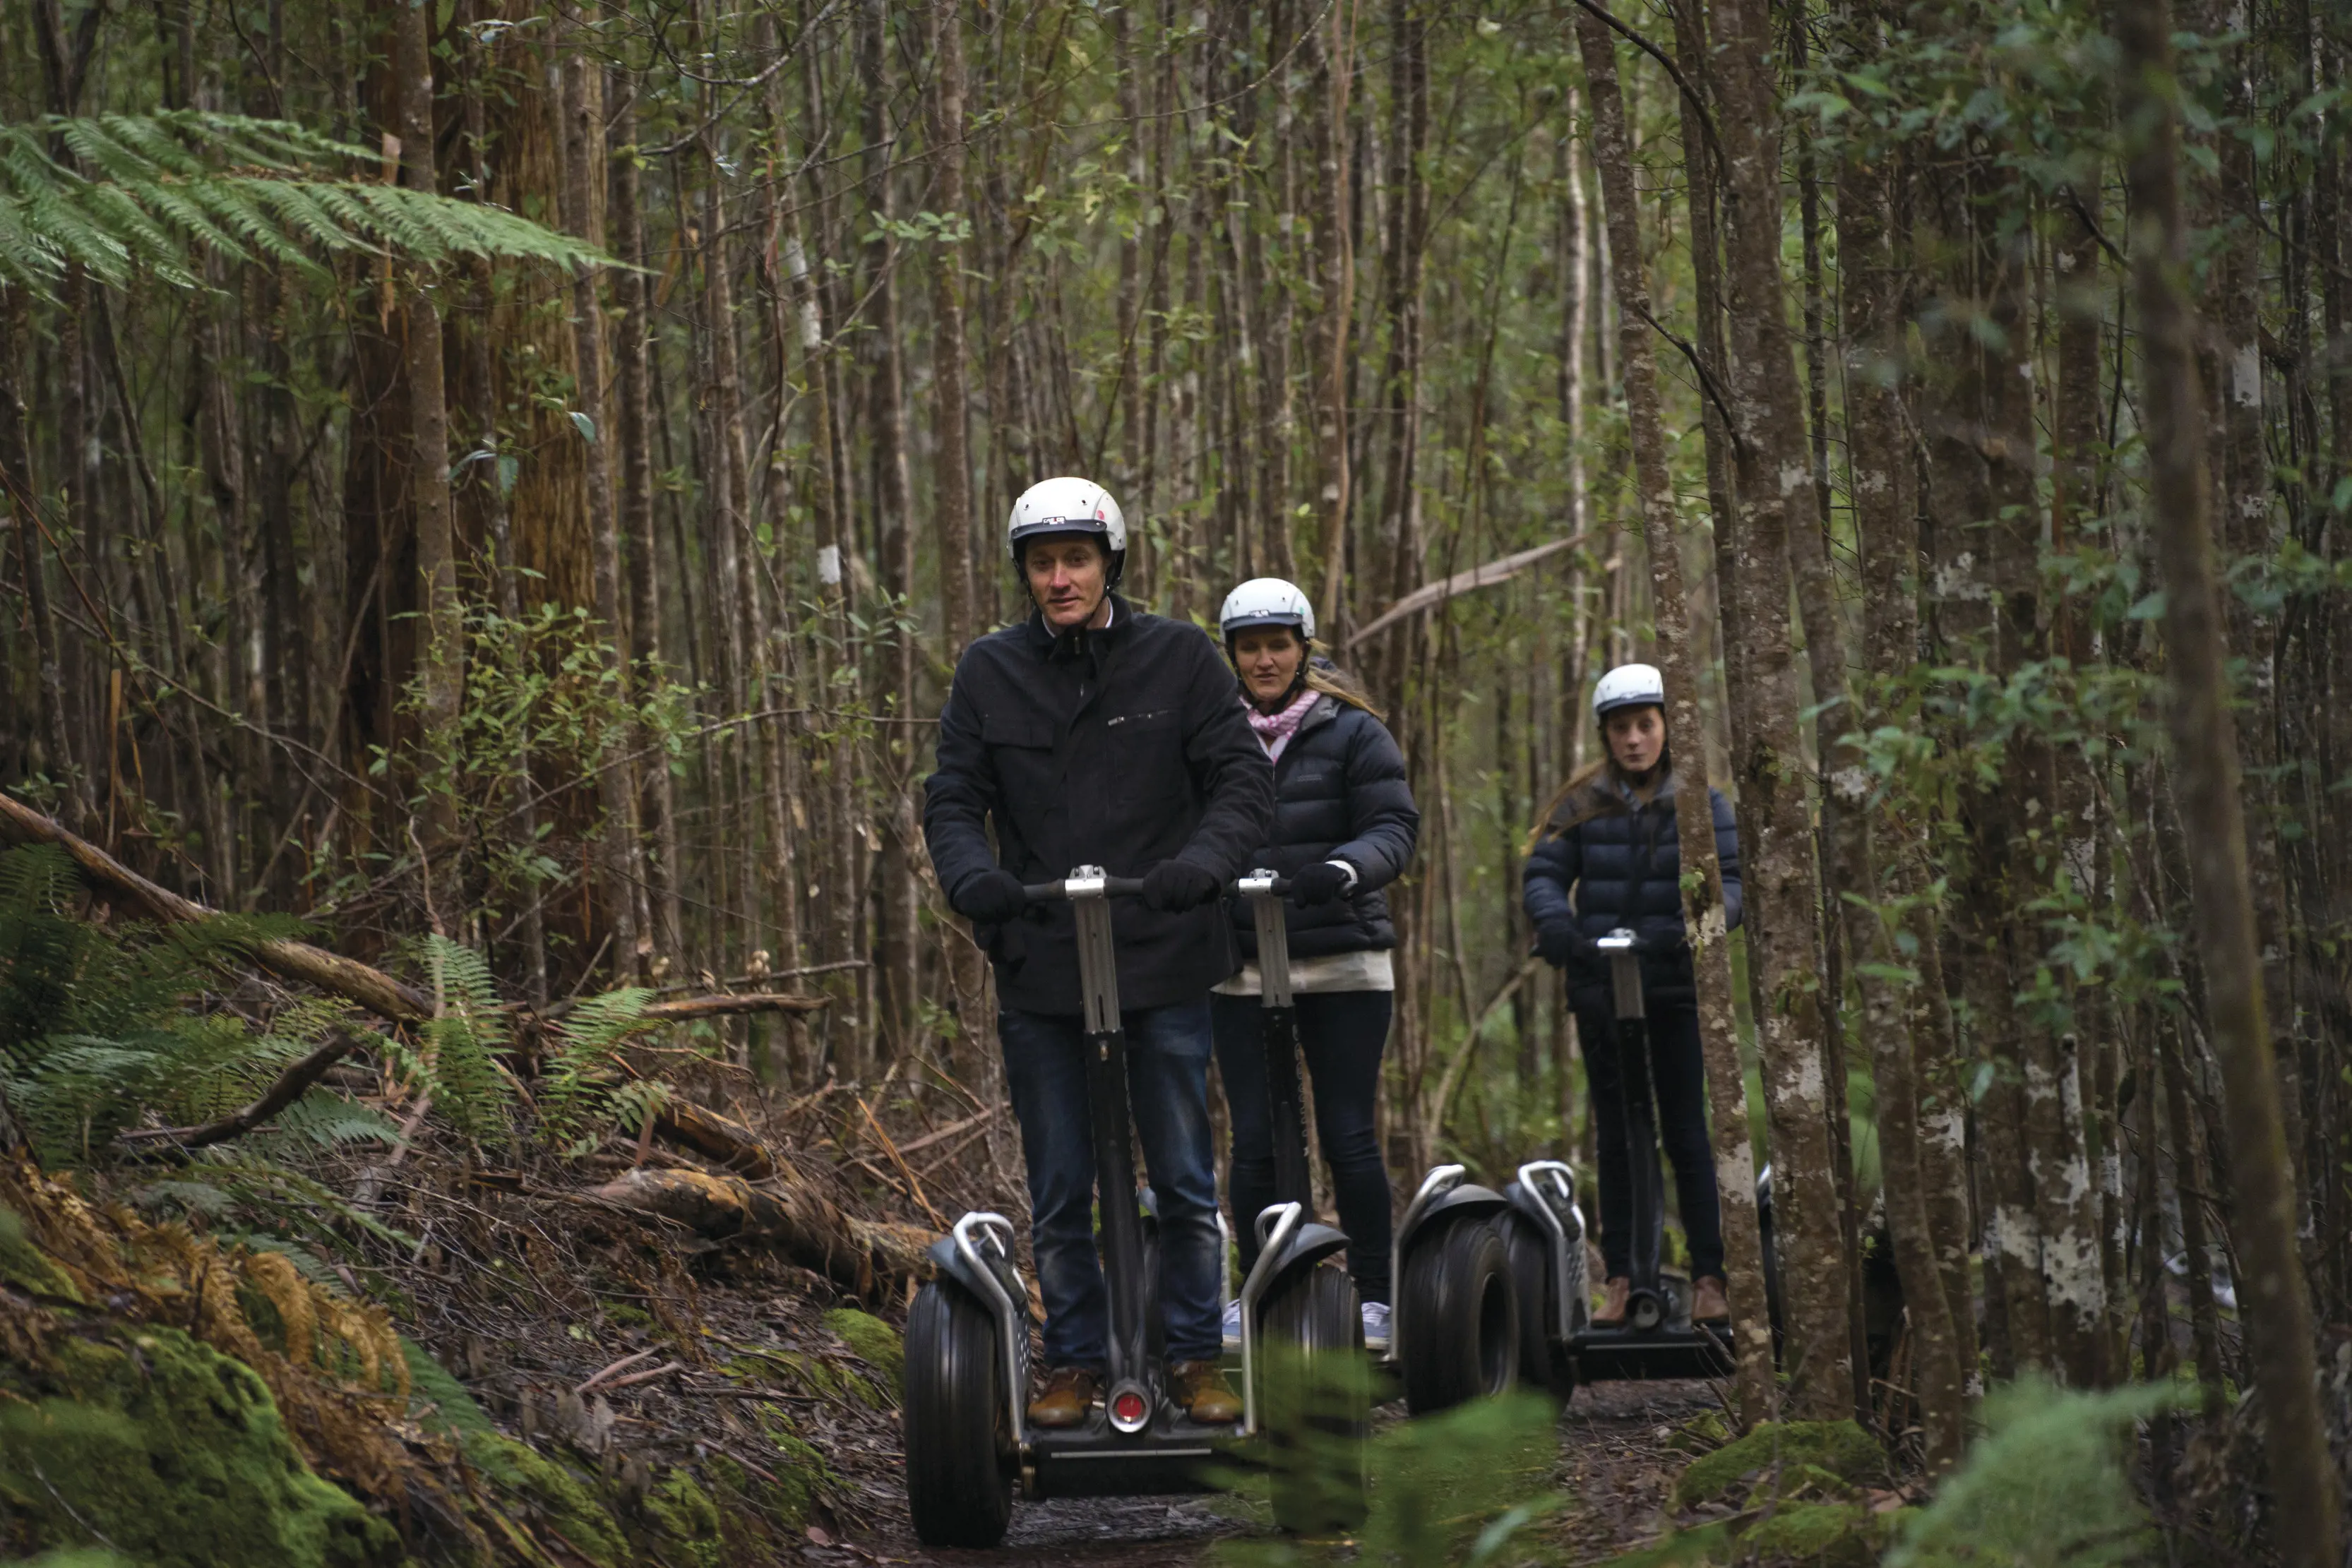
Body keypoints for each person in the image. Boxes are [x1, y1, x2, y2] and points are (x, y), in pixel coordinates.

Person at [922, 477, 1275, 1429]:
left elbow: (1239, 779)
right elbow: (953, 795)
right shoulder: (988, 671)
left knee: (1183, 1175)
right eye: (1041, 562)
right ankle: (1073, 1361)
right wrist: (974, 881)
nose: (1059, 577)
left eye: (1075, 559)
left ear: (1108, 562)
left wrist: (1201, 865)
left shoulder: (1179, 659)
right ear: (1024, 573)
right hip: (1042, 957)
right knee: (1058, 1183)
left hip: (1159, 949)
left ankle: (1197, 1355)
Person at [1207, 580, 1419, 1351]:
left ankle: (1374, 1297)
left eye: (1277, 644)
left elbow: (1394, 824)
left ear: (1302, 648)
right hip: (1239, 965)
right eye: (1249, 646)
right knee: (1256, 1138)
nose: (1264, 659)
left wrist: (1346, 867)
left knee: (1347, 1134)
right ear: (1232, 654)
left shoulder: (1354, 732)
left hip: (1342, 960)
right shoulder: (1208, 733)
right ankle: (1258, 1287)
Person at [1521, 663, 1741, 1327]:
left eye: (1645, 725)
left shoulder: (1702, 802)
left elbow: (1731, 882)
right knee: (1617, 1134)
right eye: (1621, 728)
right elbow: (1543, 874)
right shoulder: (1582, 802)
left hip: (1672, 988)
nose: (1635, 739)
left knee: (1685, 1131)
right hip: (1599, 991)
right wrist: (1557, 928)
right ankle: (1619, 1279)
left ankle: (1710, 1279)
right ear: (1606, 735)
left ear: (1666, 728)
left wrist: (1689, 930)